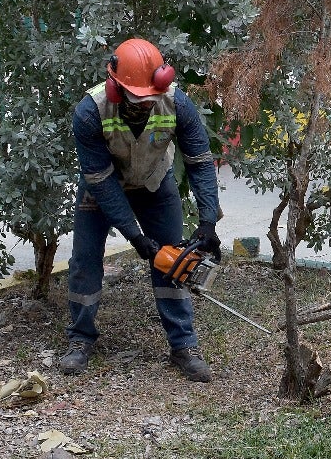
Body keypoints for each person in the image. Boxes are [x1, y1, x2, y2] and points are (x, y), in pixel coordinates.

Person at [59, 38, 223, 383]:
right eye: (137, 99)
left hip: (154, 183)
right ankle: (80, 338)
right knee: (85, 262)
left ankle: (183, 345)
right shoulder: (90, 112)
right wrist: (134, 236)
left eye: (150, 99)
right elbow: (100, 180)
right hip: (102, 187)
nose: (145, 105)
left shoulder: (178, 104)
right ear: (114, 87)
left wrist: (208, 219)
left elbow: (199, 160)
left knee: (173, 261)